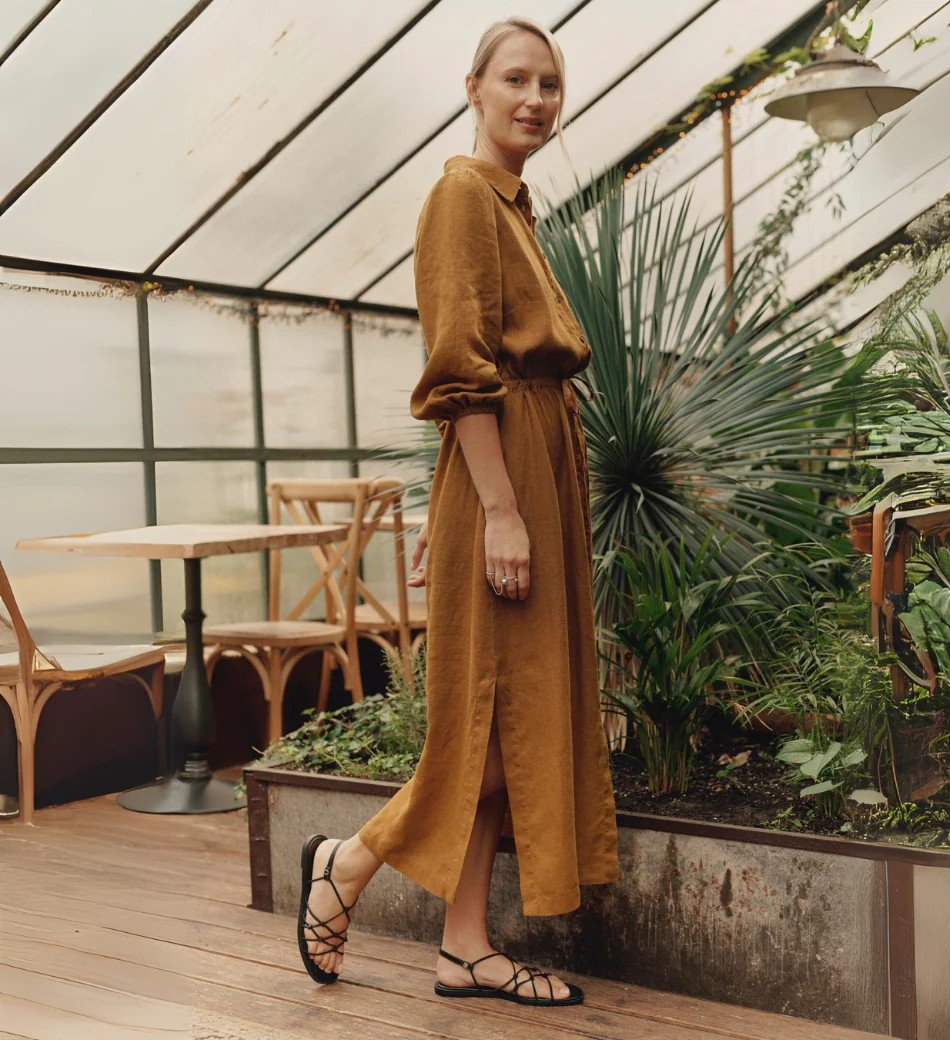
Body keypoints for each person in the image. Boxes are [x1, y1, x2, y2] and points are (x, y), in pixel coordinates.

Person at [296, 16, 619, 1007]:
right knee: (484, 726)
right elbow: (458, 368)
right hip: (507, 474)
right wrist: (496, 509)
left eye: (549, 85)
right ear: (473, 88)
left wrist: (466, 498)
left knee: (507, 717)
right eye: (515, 79)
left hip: (517, 469)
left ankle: (463, 944)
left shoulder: (509, 204)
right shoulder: (457, 196)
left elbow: (475, 354)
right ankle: (346, 862)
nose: (533, 99)